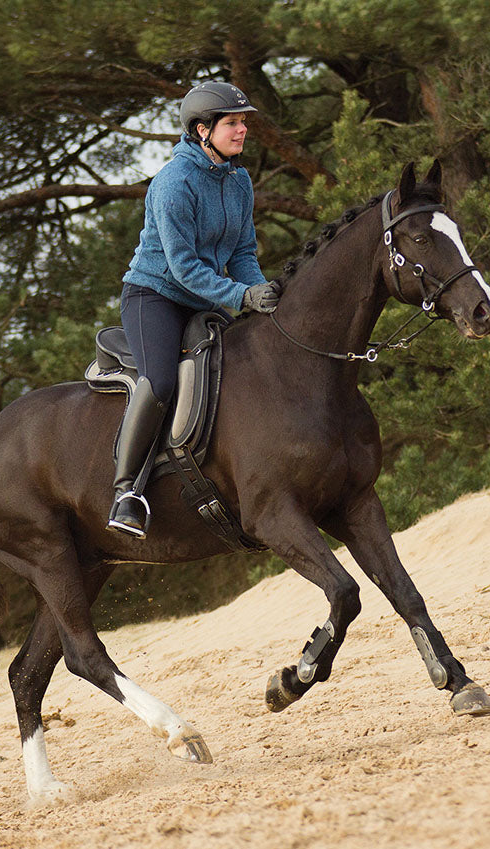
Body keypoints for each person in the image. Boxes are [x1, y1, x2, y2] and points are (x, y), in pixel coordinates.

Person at [108, 81, 280, 538]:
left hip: (205, 297)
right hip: (155, 296)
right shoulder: (173, 183)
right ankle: (127, 492)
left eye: (243, 122)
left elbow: (242, 252)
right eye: (232, 123)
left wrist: (261, 293)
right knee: (161, 380)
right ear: (203, 130)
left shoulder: (238, 179)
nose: (242, 130)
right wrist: (240, 297)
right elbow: (183, 267)